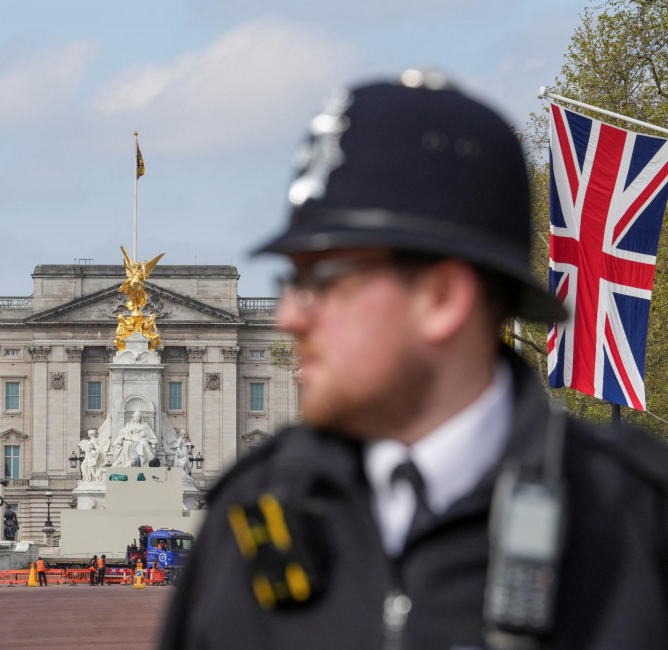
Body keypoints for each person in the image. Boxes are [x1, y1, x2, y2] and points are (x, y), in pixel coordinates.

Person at [161, 72, 668, 650]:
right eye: (293, 280)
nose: (289, 319)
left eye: (324, 281)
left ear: (442, 299)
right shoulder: (250, 511)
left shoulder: (635, 514)